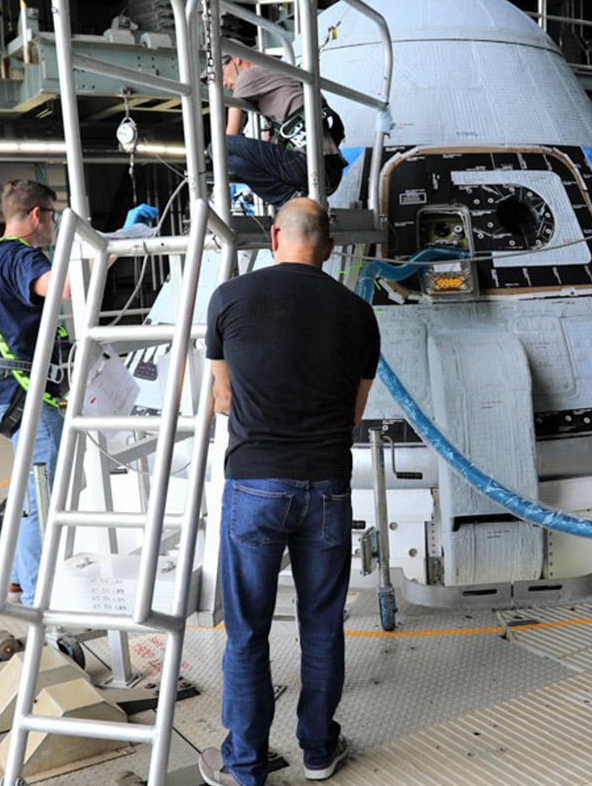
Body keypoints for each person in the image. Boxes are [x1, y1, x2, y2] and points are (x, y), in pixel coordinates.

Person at [199, 198, 381, 786]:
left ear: (275, 237)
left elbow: (222, 400)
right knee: (322, 623)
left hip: (253, 483)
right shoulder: (359, 314)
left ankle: (245, 765)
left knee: (247, 628)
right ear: (327, 247)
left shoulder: (228, 298)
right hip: (327, 485)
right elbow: (353, 416)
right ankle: (319, 750)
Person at [0, 182, 158, 606]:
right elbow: (62, 285)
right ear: (38, 215)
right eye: (53, 216)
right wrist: (111, 246)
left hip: (5, 392)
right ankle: (39, 598)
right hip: (27, 394)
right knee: (41, 497)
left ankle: (18, 578)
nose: (55, 225)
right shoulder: (20, 256)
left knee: (26, 489)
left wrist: (113, 239)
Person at [221, 56, 346, 207]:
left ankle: (291, 199)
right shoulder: (283, 73)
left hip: (306, 165)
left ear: (236, 59)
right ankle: (296, 197)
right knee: (237, 162)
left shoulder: (248, 75)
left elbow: (230, 136)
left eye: (221, 73)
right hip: (330, 170)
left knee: (217, 147)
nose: (222, 83)